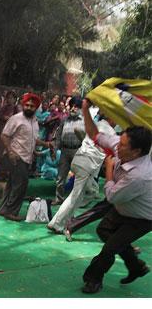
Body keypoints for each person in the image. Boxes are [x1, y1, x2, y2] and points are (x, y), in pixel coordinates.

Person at [80, 99, 151, 294]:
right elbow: (94, 134)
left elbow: (111, 196)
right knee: (104, 231)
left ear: (136, 151)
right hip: (124, 208)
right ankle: (137, 267)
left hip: (142, 217)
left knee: (110, 248)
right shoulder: (123, 146)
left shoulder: (139, 176)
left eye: (123, 145)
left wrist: (109, 169)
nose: (117, 146)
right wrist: (86, 108)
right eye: (119, 141)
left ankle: (93, 279)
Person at [47, 114, 116, 234]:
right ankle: (56, 223)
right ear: (111, 117)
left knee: (93, 191)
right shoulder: (111, 132)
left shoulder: (95, 125)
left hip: (79, 160)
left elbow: (77, 130)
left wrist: (86, 142)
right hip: (86, 165)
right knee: (75, 196)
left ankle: (67, 217)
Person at [0, 93, 52, 221]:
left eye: (32, 106)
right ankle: (11, 212)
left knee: (12, 183)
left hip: (27, 158)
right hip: (16, 156)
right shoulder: (16, 119)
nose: (28, 107)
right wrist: (11, 152)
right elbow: (4, 135)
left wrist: (46, 144)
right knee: (21, 184)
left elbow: (33, 139)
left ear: (36, 108)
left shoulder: (35, 122)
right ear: (23, 105)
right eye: (26, 105)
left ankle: (3, 209)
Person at [53, 97, 85, 205]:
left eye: (76, 106)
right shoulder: (64, 120)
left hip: (78, 151)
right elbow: (58, 135)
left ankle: (76, 200)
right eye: (72, 106)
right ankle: (59, 198)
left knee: (79, 177)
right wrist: (55, 148)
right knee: (61, 176)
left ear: (80, 108)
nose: (73, 108)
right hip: (65, 151)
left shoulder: (84, 121)